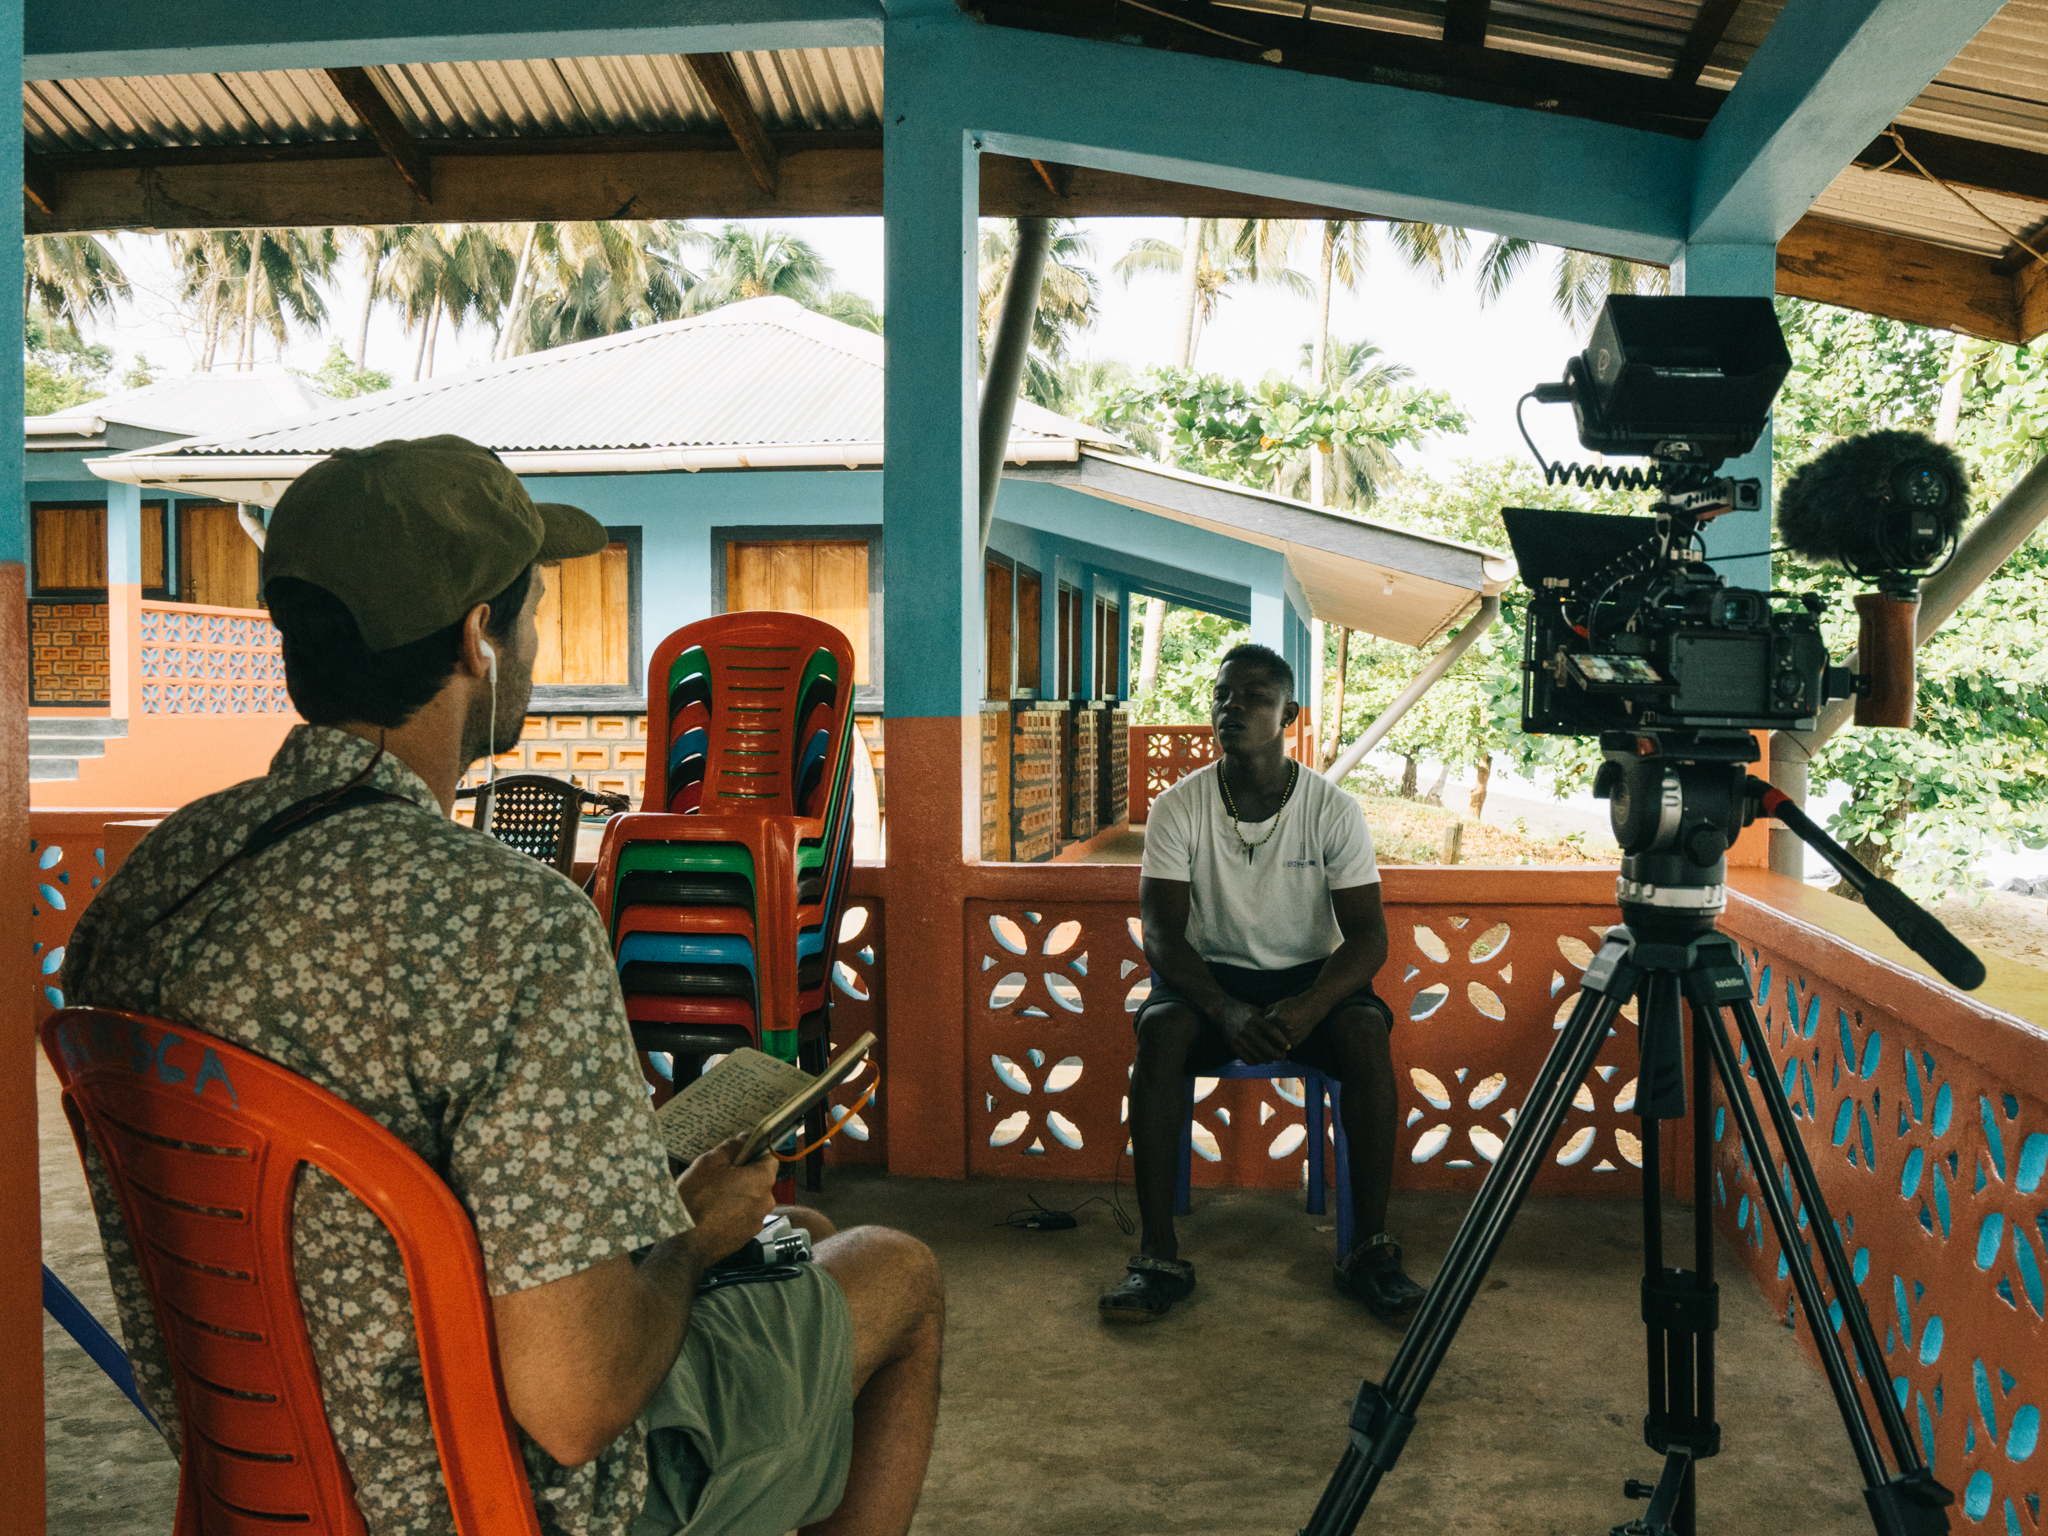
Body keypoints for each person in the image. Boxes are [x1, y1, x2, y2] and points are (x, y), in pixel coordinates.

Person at [62, 436, 942, 1536]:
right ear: (480, 632)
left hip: (263, 1465)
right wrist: (686, 1234)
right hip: (490, 1495)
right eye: (529, 612)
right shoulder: (506, 925)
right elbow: (576, 1404)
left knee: (797, 1233)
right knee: (893, 1273)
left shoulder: (147, 890)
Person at [1099, 643, 1425, 1325]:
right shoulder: (1178, 808)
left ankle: (1371, 1252)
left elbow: (1368, 938)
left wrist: (1310, 1007)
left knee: (1365, 1032)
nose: (1232, 706)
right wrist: (1222, 1005)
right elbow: (1162, 934)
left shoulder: (1333, 810)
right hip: (1209, 975)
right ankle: (1157, 1256)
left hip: (1309, 980)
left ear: (1289, 713)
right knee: (1160, 1032)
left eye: (1253, 694)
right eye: (1223, 694)